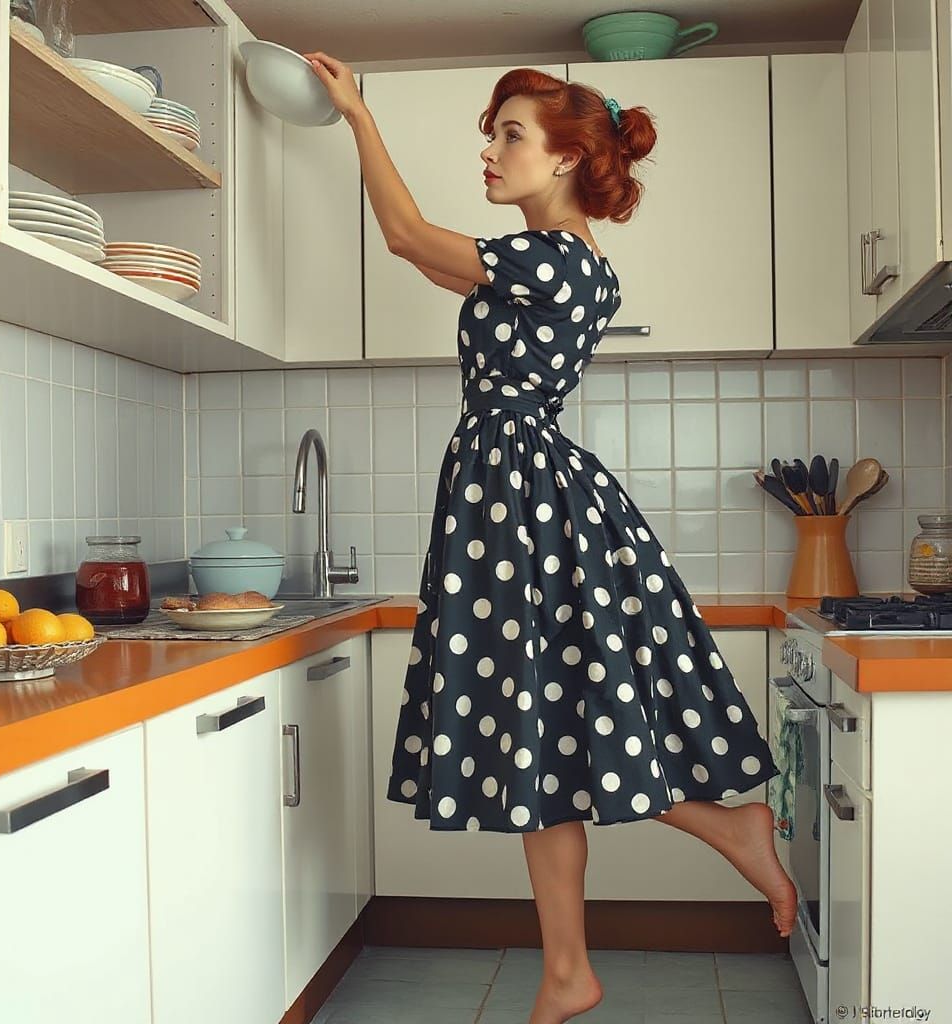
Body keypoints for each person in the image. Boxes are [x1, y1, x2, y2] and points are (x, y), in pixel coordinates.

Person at [305, 52, 798, 1024]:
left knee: (556, 729)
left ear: (569, 156)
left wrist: (358, 114)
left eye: (510, 135)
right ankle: (572, 966)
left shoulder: (553, 258)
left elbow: (404, 235)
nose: (488, 153)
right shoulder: (561, 261)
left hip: (521, 503)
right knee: (551, 740)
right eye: (490, 134)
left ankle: (721, 843)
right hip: (516, 497)